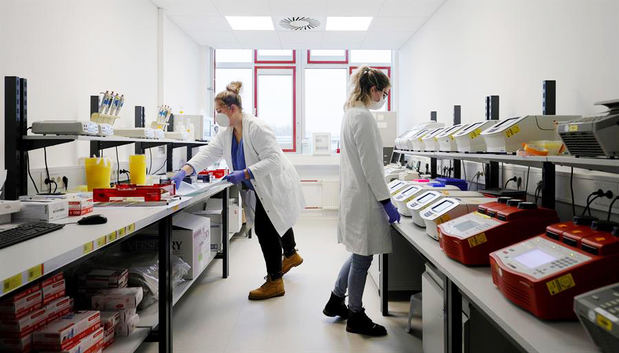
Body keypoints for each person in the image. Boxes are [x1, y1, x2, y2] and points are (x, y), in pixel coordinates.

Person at [171, 81, 305, 300]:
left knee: (265, 228)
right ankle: (290, 256)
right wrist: (185, 170)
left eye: (219, 111)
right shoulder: (228, 132)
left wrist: (245, 173)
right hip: (259, 186)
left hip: (273, 183)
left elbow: (273, 159)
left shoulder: (257, 128)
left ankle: (275, 281)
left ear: (232, 109)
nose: (217, 116)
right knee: (274, 222)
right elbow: (209, 152)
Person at [322, 66, 400, 336]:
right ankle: (356, 314)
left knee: (358, 253)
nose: (384, 98)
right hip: (366, 199)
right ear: (373, 90)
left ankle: (335, 299)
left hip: (355, 194)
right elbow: (372, 168)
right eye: (384, 93)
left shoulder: (350, 114)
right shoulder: (364, 118)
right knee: (363, 258)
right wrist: (387, 201)